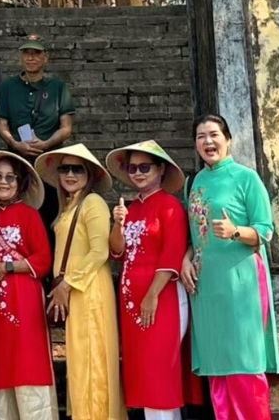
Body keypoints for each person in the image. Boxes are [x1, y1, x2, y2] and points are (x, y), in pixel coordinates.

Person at [184, 117, 279, 420]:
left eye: (214, 135)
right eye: (201, 137)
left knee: (244, 367)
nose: (208, 142)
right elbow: (195, 234)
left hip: (241, 284)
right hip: (207, 287)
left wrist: (236, 231)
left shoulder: (246, 178)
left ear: (228, 139)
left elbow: (265, 231)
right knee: (218, 370)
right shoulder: (194, 182)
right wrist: (185, 259)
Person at [38, 144, 123, 420]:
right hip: (76, 289)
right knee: (79, 360)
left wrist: (67, 283)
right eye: (65, 168)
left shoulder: (93, 203)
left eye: (77, 169)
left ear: (89, 175)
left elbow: (100, 252)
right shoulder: (71, 205)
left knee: (92, 360)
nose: (70, 174)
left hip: (89, 290)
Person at [108, 140, 191, 420]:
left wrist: (152, 295)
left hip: (162, 298)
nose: (138, 173)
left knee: (159, 371)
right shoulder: (129, 208)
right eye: (132, 168)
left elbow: (171, 256)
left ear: (160, 170)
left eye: (145, 167)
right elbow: (117, 251)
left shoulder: (170, 207)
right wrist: (118, 224)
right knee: (144, 372)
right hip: (132, 302)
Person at [0, 150, 58, 420]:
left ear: (20, 183)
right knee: (3, 370)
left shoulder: (30, 216)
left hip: (25, 301)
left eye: (10, 177)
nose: (3, 182)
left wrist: (7, 267)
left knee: (28, 366)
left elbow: (44, 260)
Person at [0, 37, 76, 159]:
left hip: (51, 157)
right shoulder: (7, 86)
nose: (30, 58)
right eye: (26, 53)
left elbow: (66, 128)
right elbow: (1, 124)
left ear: (45, 58)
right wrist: (15, 144)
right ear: (21, 58)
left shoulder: (58, 87)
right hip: (17, 158)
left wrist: (46, 144)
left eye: (36, 53)